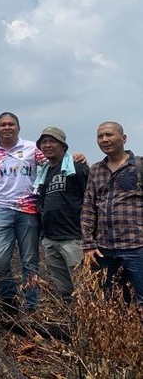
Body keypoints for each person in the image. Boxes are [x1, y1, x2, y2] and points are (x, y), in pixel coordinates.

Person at [0, 112, 46, 312]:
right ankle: (9, 299)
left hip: (28, 211)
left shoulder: (32, 148)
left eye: (11, 124)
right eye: (3, 124)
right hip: (0, 211)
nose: (7, 127)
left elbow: (53, 163)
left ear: (18, 128)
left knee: (30, 261)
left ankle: (30, 305)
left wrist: (73, 158)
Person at [81, 121, 143, 304]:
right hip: (104, 250)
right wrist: (88, 244)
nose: (104, 140)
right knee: (109, 301)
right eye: (100, 136)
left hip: (136, 247)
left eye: (109, 135)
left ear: (123, 138)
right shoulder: (96, 170)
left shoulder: (138, 166)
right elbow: (89, 208)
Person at [34, 127, 89, 301]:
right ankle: (73, 325)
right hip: (51, 240)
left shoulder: (76, 167)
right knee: (64, 290)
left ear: (63, 145)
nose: (48, 145)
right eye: (44, 142)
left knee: (83, 288)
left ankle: (89, 325)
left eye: (53, 141)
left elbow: (90, 198)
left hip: (73, 238)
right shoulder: (44, 173)